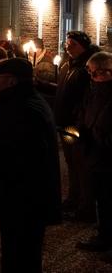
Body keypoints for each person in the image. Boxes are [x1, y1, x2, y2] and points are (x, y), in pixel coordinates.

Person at [0, 58, 61, 272]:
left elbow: (17, 156)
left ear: (11, 81)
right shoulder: (24, 103)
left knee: (20, 254)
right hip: (24, 197)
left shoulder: (22, 110)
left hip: (23, 198)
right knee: (21, 251)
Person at [55, 30, 98, 222]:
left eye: (72, 45)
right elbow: (62, 92)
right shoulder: (68, 65)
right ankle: (73, 198)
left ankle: (85, 205)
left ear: (83, 46)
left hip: (76, 125)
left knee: (81, 165)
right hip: (65, 123)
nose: (68, 48)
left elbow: (85, 98)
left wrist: (78, 118)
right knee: (71, 163)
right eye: (67, 44)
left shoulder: (87, 68)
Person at [75, 51, 112, 254]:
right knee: (102, 201)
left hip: (107, 158)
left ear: (107, 72)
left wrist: (97, 136)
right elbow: (85, 111)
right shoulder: (94, 91)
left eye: (94, 73)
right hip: (95, 157)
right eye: (90, 73)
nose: (91, 78)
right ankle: (104, 236)